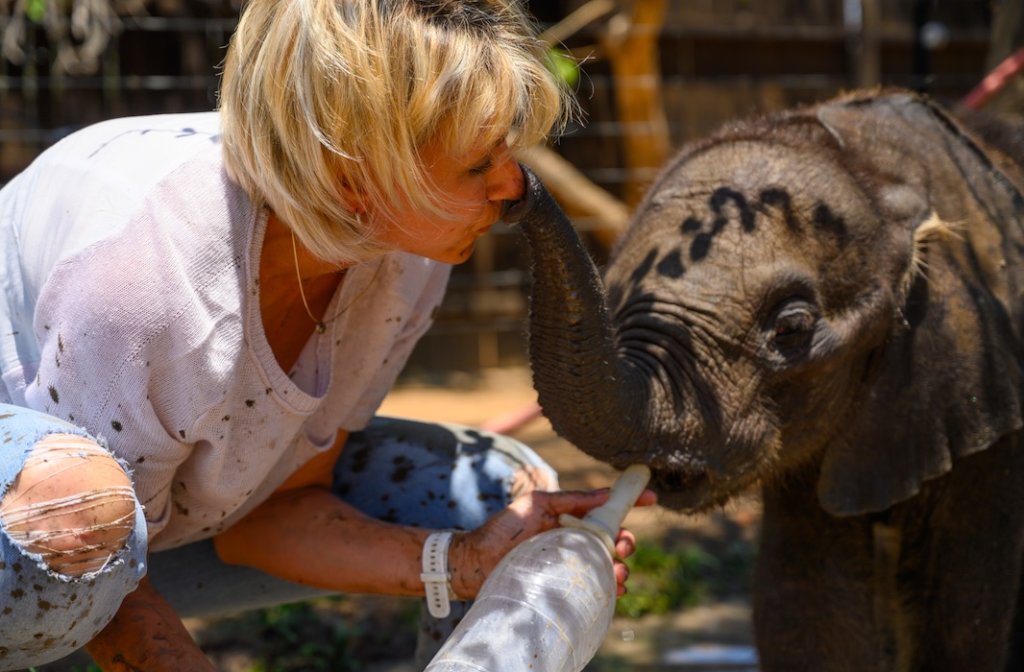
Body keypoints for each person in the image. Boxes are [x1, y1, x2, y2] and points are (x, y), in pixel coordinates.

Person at [0, 1, 655, 670]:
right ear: (350, 179)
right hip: (37, 540)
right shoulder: (145, 282)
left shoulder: (408, 248)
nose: (514, 185)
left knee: (501, 503)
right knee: (76, 511)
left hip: (158, 533)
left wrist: (464, 562)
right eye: (476, 166)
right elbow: (92, 555)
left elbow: (277, 507)